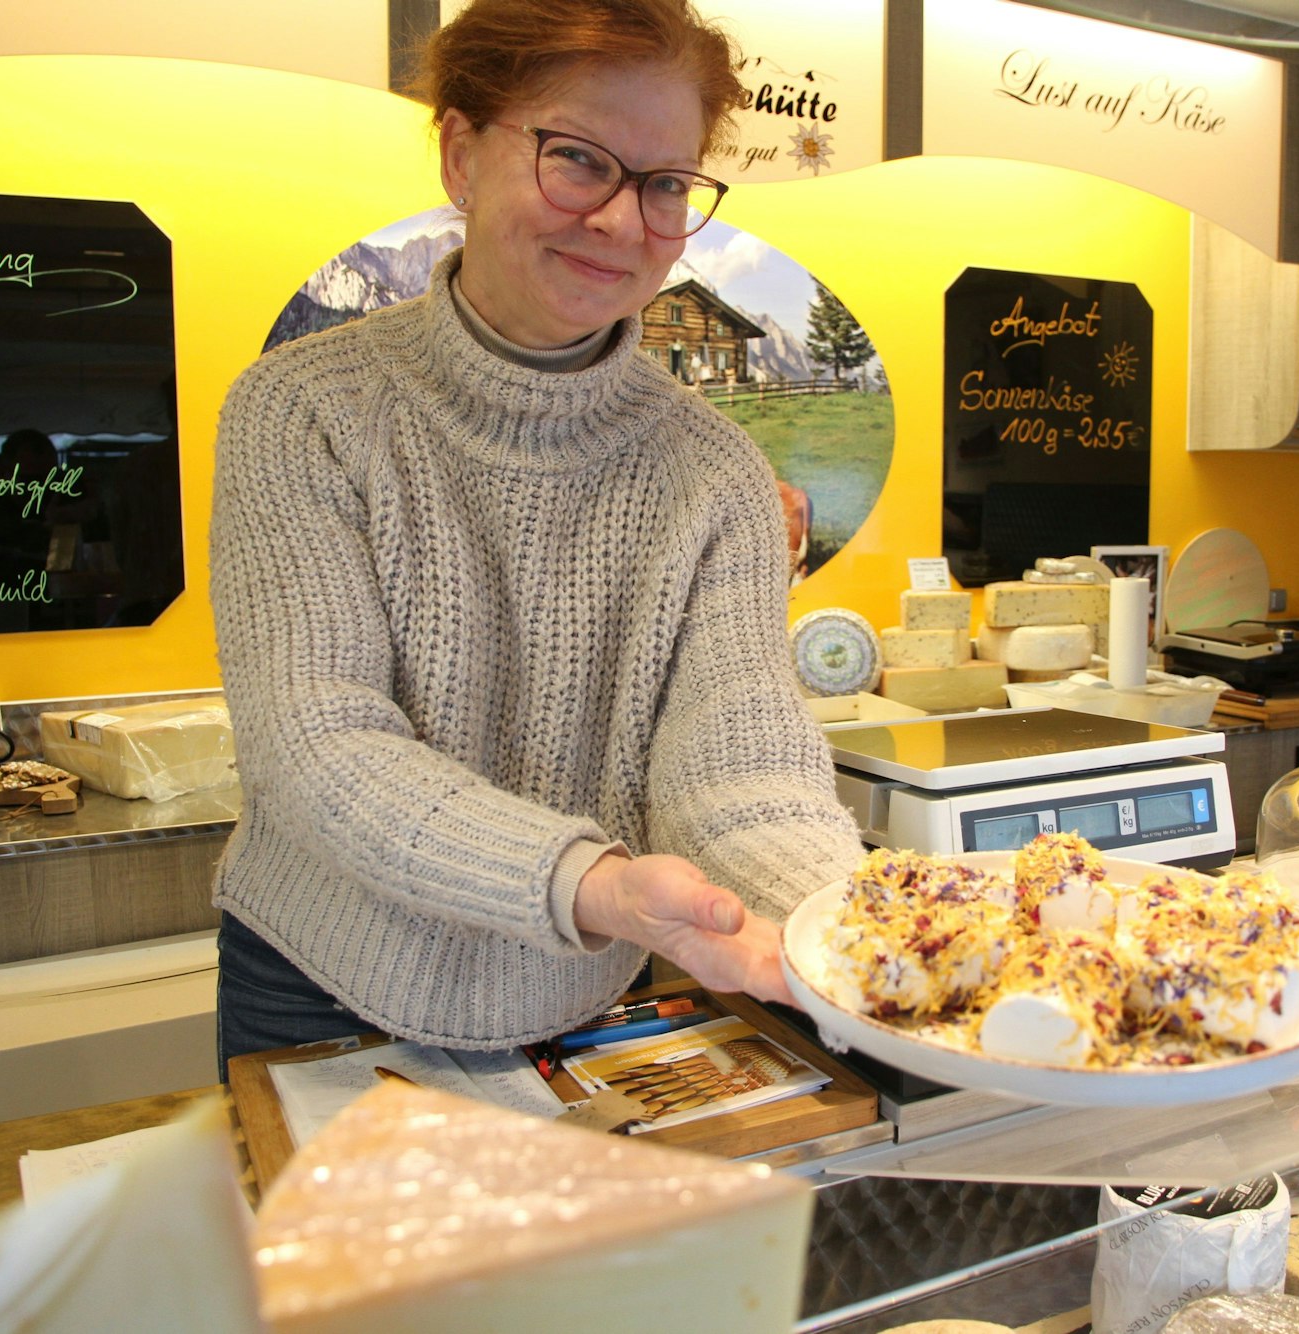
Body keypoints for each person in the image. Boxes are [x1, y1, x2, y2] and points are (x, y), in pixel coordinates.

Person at [207, 0, 863, 1069]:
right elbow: (319, 745)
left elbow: (737, 770)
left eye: (662, 184)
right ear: (462, 153)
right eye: (576, 160)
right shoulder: (304, 410)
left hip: (584, 986)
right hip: (320, 982)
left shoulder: (716, 474)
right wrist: (590, 883)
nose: (619, 221)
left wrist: (841, 925)